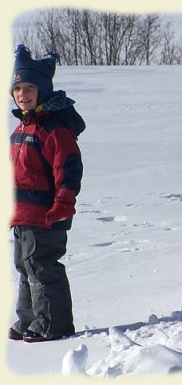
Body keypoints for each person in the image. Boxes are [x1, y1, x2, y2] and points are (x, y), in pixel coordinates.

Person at [8, 44, 85, 343]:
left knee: (43, 269)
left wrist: (64, 202)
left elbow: (68, 169)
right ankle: (29, 319)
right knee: (26, 268)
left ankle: (54, 323)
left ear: (42, 90)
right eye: (17, 88)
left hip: (47, 214)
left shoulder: (54, 129)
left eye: (29, 87)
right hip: (23, 215)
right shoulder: (22, 128)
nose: (22, 94)